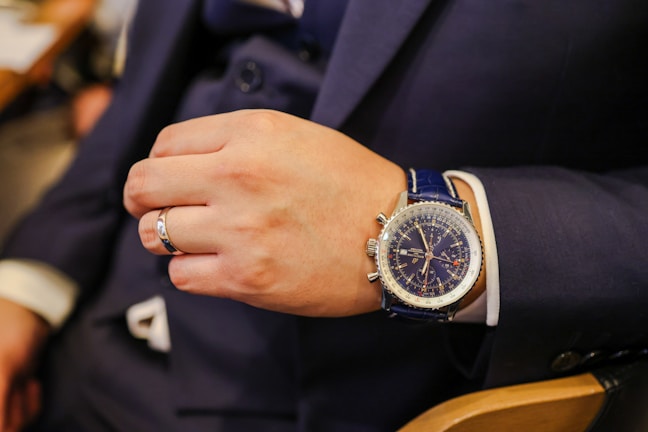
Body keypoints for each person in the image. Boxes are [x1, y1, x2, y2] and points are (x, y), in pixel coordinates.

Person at [1, 0, 647, 431]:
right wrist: (28, 284)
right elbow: (147, 87)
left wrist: (424, 225)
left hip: (368, 397)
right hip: (88, 329)